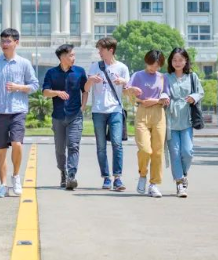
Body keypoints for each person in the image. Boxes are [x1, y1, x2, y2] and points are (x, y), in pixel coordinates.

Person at [0, 28, 39, 198]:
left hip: (17, 110)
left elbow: (35, 85)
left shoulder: (24, 63)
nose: (4, 45)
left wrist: (19, 87)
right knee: (1, 150)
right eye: (2, 41)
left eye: (8, 41)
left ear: (16, 43)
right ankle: (3, 185)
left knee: (17, 144)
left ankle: (16, 176)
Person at [85, 36, 130, 192]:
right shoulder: (94, 67)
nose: (99, 53)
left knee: (117, 143)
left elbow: (128, 91)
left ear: (110, 50)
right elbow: (86, 88)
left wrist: (123, 82)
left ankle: (117, 177)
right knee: (101, 146)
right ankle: (106, 177)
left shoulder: (122, 68)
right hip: (98, 110)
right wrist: (91, 80)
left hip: (115, 109)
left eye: (101, 50)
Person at [42, 44, 88, 190]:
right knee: (60, 149)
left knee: (73, 146)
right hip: (58, 116)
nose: (73, 58)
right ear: (62, 57)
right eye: (71, 55)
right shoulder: (51, 73)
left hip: (75, 115)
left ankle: (71, 176)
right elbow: (45, 92)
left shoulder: (80, 72)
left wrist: (83, 105)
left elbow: (85, 90)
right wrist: (57, 92)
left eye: (74, 55)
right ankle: (63, 171)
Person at [125, 49, 170, 198]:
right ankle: (143, 174)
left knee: (158, 151)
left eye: (157, 66)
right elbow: (126, 92)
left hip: (158, 113)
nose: (154, 68)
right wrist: (131, 89)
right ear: (147, 61)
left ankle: (154, 184)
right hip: (142, 112)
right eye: (152, 65)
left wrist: (159, 100)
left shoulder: (163, 77)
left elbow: (166, 95)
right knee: (145, 149)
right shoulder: (137, 75)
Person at [163, 47, 204, 198]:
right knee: (174, 152)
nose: (177, 62)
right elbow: (161, 91)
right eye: (174, 60)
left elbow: (200, 92)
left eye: (180, 59)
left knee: (187, 152)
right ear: (171, 62)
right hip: (170, 119)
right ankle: (180, 183)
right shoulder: (166, 77)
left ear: (186, 60)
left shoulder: (192, 77)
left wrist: (194, 97)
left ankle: (183, 173)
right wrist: (164, 97)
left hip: (186, 119)